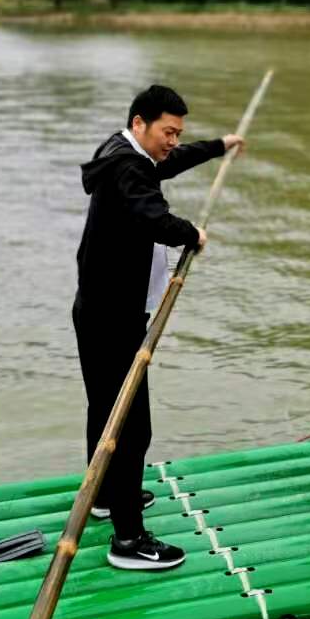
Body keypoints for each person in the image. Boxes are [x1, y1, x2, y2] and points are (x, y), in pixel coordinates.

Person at [74, 84, 245, 570]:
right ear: (139, 123)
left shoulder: (122, 152)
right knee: (131, 426)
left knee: (106, 412)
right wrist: (191, 233)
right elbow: (152, 215)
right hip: (113, 318)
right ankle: (128, 541)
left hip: (100, 309)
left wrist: (217, 146)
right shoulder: (128, 167)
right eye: (167, 131)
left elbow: (163, 166)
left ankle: (106, 496)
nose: (173, 140)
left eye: (179, 133)